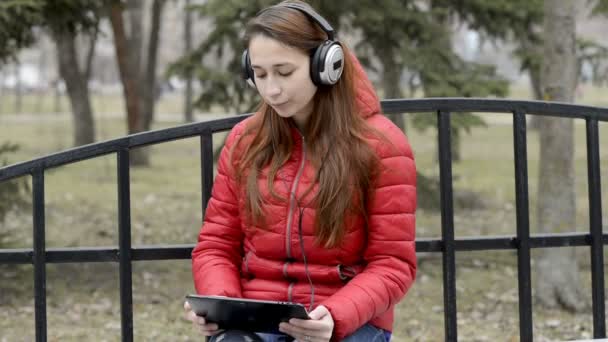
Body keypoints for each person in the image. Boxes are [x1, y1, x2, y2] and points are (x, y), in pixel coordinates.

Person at [184, 1, 417, 341]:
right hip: (257, 319)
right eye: (260, 75)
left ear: (327, 65)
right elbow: (216, 245)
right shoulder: (244, 141)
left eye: (284, 72)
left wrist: (335, 317)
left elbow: (393, 265)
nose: (272, 90)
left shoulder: (382, 145)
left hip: (347, 322)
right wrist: (223, 306)